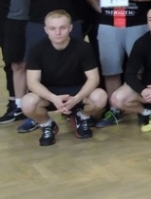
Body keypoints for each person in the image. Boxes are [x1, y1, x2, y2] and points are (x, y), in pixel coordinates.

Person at [22, 10, 107, 146]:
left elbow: (93, 79)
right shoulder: (36, 49)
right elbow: (32, 82)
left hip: (77, 92)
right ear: (46, 29)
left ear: (70, 28)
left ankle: (81, 117)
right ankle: (47, 125)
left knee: (100, 97)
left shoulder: (83, 47)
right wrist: (53, 98)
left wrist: (76, 99)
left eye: (62, 28)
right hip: (49, 93)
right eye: (52, 28)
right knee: (27, 103)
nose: (58, 32)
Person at [0, 0, 39, 126]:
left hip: (38, 17)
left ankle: (36, 106)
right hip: (15, 18)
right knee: (16, 64)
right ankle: (18, 105)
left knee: (36, 65)